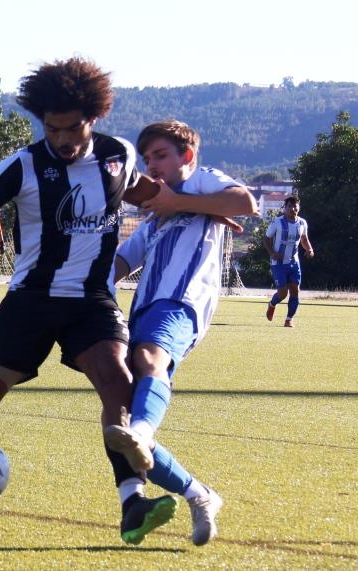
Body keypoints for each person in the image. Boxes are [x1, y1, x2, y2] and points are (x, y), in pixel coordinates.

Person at [0, 57, 174, 544]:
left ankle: (131, 502)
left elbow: (143, 191)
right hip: (30, 303)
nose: (62, 138)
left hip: (91, 301)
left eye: (71, 128)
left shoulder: (119, 155)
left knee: (119, 384)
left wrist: (192, 204)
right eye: (52, 128)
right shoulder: (21, 165)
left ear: (93, 119)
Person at [107, 120, 258, 546]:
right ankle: (199, 493)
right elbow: (123, 260)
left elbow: (245, 201)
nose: (152, 164)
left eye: (160, 156)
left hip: (182, 302)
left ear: (186, 156)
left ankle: (143, 434)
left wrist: (183, 201)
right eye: (148, 158)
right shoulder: (153, 215)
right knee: (118, 417)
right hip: (144, 308)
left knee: (149, 357)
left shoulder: (202, 180)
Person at [264, 196, 314, 327]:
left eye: (295, 206)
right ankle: (272, 304)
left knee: (295, 291)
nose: (293, 208)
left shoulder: (302, 223)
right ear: (285, 209)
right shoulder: (277, 222)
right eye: (289, 206)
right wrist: (272, 253)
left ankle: (289, 319)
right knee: (282, 294)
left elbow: (304, 239)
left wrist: (309, 249)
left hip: (294, 262)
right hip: (279, 263)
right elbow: (267, 239)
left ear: (299, 207)